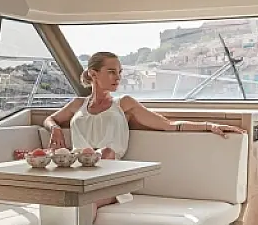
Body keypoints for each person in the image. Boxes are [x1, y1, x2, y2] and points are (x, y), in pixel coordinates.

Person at [44, 51, 245, 159]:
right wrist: (55, 129)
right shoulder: (78, 105)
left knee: (86, 201)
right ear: (93, 74)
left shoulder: (124, 103)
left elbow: (168, 125)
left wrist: (210, 126)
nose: (118, 77)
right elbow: (50, 119)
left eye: (119, 72)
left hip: (109, 176)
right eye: (111, 72)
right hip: (78, 170)